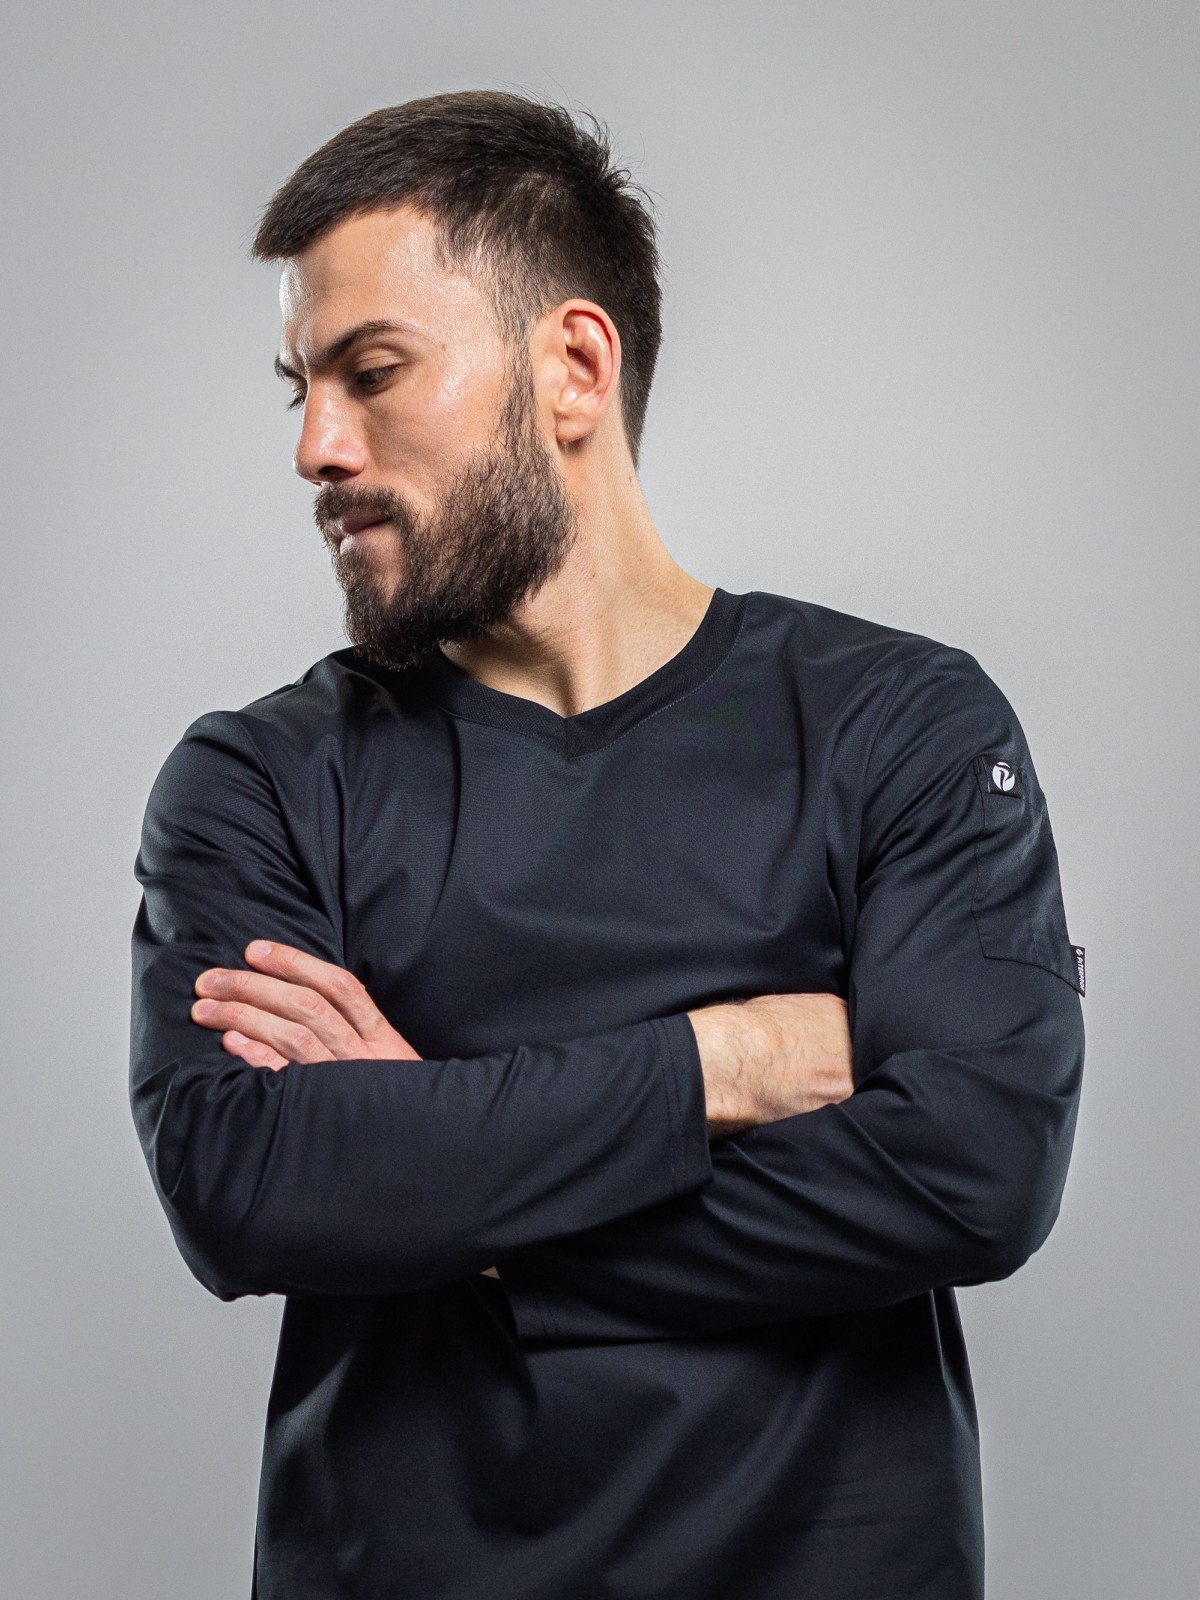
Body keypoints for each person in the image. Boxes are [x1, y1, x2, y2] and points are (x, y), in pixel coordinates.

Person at [129, 89, 1086, 1600]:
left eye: (372, 372)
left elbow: (976, 1170)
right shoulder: (259, 779)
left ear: (573, 367)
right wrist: (725, 1064)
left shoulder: (896, 724)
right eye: (300, 388)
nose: (317, 446)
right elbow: (247, 1183)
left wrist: (449, 1192)